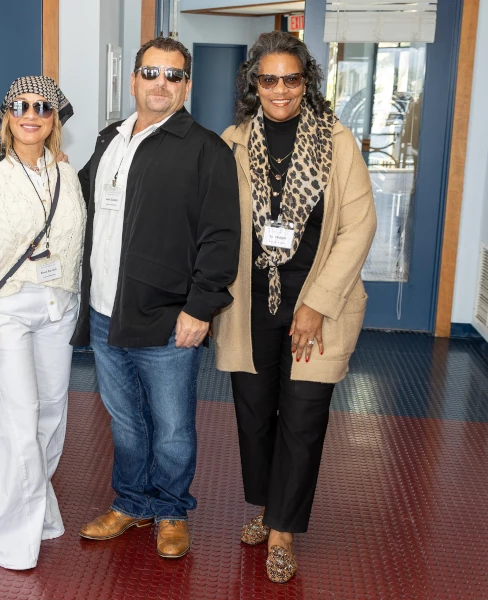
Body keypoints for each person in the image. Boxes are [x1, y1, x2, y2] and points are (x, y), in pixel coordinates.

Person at [214, 31, 376, 583]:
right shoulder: (233, 141)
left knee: (303, 416)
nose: (280, 89)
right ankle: (265, 504)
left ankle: (283, 529)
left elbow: (359, 228)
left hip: (319, 305)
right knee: (254, 417)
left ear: (306, 83)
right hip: (250, 305)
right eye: (268, 79)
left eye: (291, 79)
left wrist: (316, 304)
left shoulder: (338, 142)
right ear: (253, 84)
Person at [73, 37, 240, 559]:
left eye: (172, 76)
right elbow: (78, 204)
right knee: (125, 420)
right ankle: (131, 502)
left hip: (170, 316)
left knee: (170, 425)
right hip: (106, 311)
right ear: (133, 80)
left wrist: (200, 308)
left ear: (186, 85)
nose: (160, 84)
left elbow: (221, 235)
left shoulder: (206, 149)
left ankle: (170, 509)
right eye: (151, 73)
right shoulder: (109, 140)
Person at [0, 76, 84, 570]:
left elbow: (75, 244)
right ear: (7, 115)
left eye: (42, 107)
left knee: (50, 416)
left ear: (54, 119)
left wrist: (73, 305)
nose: (32, 115)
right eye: (21, 106)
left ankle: (35, 504)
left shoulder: (65, 174)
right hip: (6, 309)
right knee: (17, 419)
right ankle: (8, 532)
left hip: (56, 308)